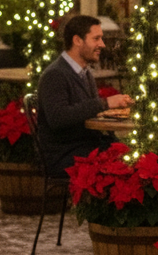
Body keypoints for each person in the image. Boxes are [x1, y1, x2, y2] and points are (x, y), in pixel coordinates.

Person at [37, 14, 132, 175]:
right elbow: (58, 117)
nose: (102, 44)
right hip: (66, 155)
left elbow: (88, 112)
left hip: (87, 145)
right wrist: (105, 103)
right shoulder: (55, 75)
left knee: (135, 155)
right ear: (77, 40)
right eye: (96, 39)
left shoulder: (84, 72)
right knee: (126, 165)